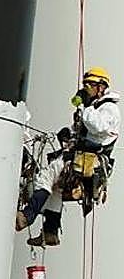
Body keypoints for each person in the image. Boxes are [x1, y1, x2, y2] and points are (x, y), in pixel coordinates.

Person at [16, 66, 120, 246]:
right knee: (56, 189)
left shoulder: (109, 109)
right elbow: (84, 130)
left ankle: (27, 216)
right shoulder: (95, 108)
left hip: (89, 159)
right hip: (80, 156)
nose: (86, 87)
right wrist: (69, 134)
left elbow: (98, 126)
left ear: (101, 87)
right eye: (86, 84)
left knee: (45, 177)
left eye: (91, 84)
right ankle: (50, 232)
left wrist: (86, 106)